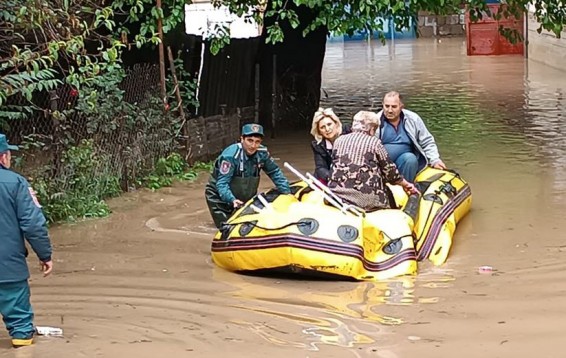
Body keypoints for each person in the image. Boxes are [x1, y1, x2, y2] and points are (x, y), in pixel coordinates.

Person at [0, 134, 53, 348]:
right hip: (8, 268)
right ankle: (22, 346)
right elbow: (33, 225)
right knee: (21, 331)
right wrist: (45, 255)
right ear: (3, 157)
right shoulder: (15, 183)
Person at [205, 124, 291, 228]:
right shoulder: (230, 156)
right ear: (242, 139)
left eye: (257, 142)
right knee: (227, 228)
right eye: (250, 140)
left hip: (244, 196)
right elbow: (222, 184)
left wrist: (287, 192)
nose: (253, 145)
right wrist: (232, 200)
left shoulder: (262, 153)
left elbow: (275, 172)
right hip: (219, 197)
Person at [329, 111, 418, 211]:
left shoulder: (338, 140)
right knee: (386, 195)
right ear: (371, 129)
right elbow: (391, 173)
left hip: (336, 194)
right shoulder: (375, 142)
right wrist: (406, 184)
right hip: (365, 199)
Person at [377, 91, 446, 182]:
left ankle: (408, 189)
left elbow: (427, 141)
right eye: (386, 106)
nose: (389, 110)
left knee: (410, 159)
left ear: (401, 107)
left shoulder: (413, 119)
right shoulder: (375, 121)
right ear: (382, 105)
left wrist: (435, 160)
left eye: (394, 107)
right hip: (382, 164)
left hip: (406, 162)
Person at [310, 107, 350, 184]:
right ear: (319, 131)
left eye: (329, 124)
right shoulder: (318, 145)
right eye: (322, 127)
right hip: (330, 176)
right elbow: (321, 168)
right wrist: (334, 178)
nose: (327, 129)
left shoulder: (348, 133)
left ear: (336, 124)